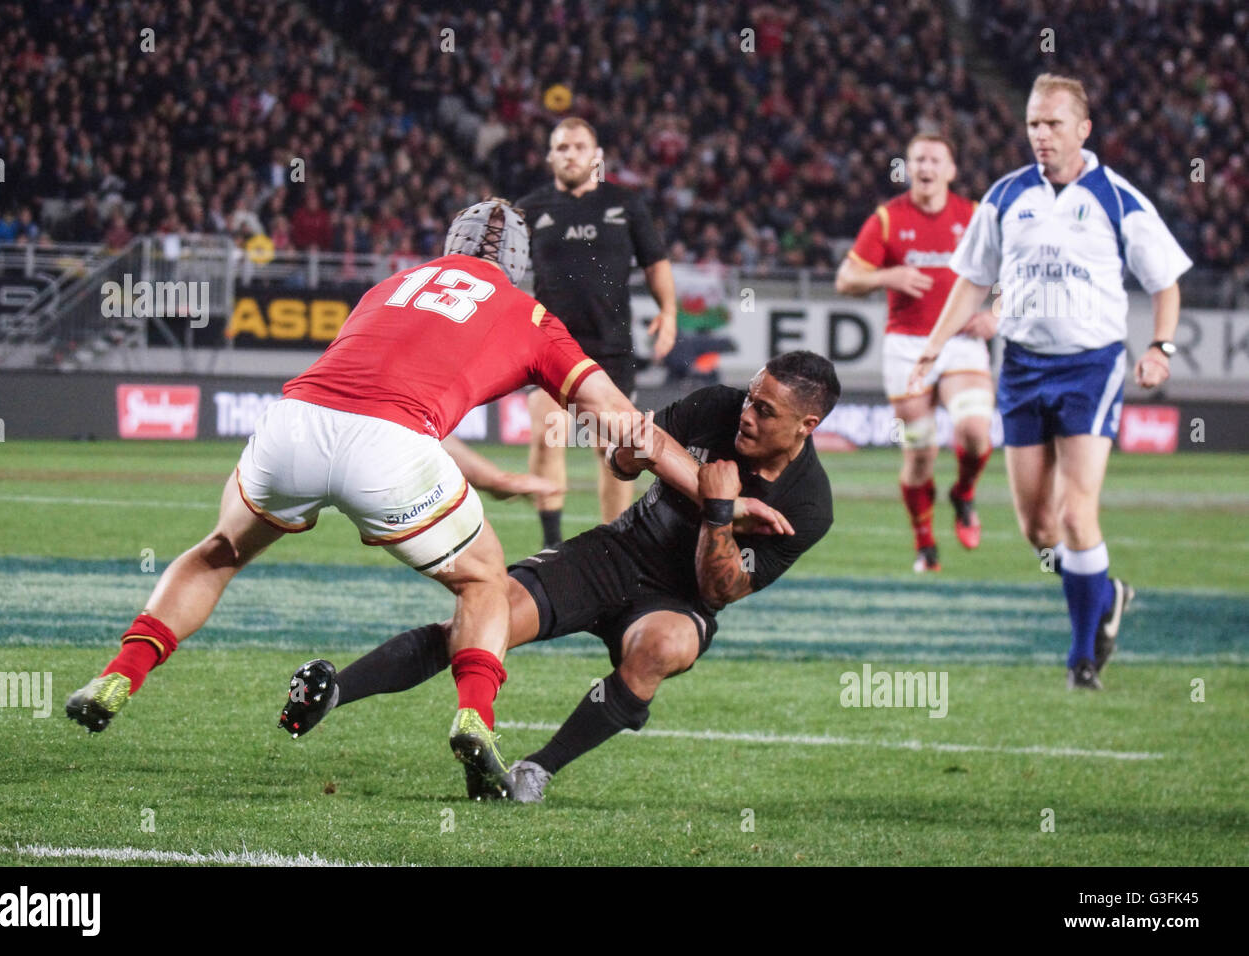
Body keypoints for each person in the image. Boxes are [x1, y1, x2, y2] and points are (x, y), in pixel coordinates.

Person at [67, 198, 788, 799]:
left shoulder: (390, 287)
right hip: (394, 449)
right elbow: (621, 422)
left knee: (218, 552)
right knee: (483, 578)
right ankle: (475, 719)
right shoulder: (530, 316)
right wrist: (712, 492)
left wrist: (494, 480)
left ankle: (117, 676)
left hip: (292, 424)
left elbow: (384, 406)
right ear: (519, 267)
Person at [278, 351, 837, 802]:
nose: (747, 413)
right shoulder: (715, 405)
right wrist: (633, 454)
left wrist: (719, 511)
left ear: (806, 426)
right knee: (484, 621)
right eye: (751, 398)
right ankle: (332, 694)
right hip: (617, 550)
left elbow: (721, 590)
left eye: (766, 411)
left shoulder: (810, 505)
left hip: (679, 599)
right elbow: (621, 461)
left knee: (665, 645)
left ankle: (536, 771)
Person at [908, 74, 1191, 689]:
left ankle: (1082, 657)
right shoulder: (1007, 196)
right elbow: (972, 280)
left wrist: (1160, 349)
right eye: (1034, 123)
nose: (1040, 134)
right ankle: (1106, 594)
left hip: (1091, 369)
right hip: (1023, 370)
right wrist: (933, 348)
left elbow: (1166, 282)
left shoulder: (1118, 198)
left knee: (1077, 515)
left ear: (1082, 130)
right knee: (1038, 528)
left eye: (1053, 123)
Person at [836, 133, 998, 573]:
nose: (925, 167)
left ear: (951, 170)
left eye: (935, 160)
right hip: (907, 344)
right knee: (921, 452)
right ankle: (925, 543)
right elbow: (845, 280)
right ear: (908, 168)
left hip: (961, 341)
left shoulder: (976, 216)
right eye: (918, 159)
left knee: (974, 431)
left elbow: (1016, 272)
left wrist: (998, 316)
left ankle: (963, 494)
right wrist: (889, 276)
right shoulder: (888, 219)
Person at [517, 117, 679, 546]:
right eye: (562, 147)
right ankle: (551, 548)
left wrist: (670, 312)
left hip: (610, 348)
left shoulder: (624, 205)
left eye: (579, 146)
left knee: (615, 453)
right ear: (551, 156)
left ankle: (614, 547)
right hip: (549, 345)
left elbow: (655, 263)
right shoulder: (530, 209)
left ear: (597, 156)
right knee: (546, 435)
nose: (571, 154)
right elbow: (503, 269)